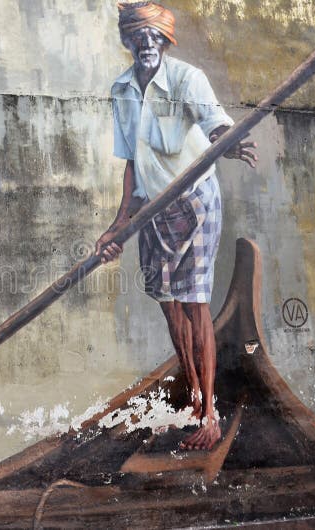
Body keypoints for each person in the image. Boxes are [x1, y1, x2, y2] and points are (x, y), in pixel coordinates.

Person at [95, 1, 257, 451]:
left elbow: (217, 128)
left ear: (166, 40)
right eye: (138, 36)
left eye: (155, 36)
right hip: (151, 209)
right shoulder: (122, 90)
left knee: (193, 303)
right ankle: (191, 399)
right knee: (169, 305)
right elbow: (131, 162)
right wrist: (118, 225)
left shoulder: (187, 79)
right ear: (128, 40)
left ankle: (209, 413)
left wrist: (227, 145)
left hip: (195, 203)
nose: (147, 43)